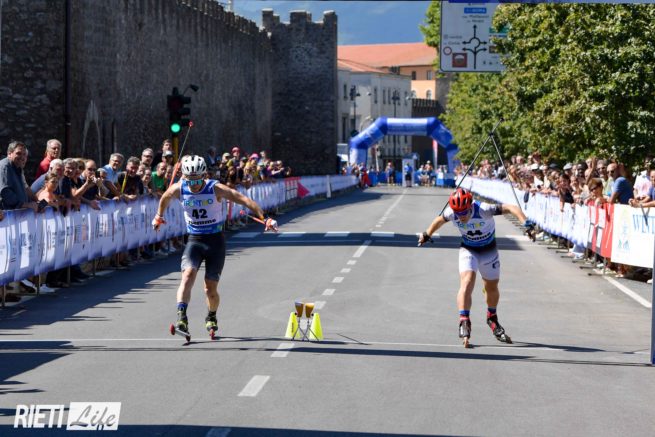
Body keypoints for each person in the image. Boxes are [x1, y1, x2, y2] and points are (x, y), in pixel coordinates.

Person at [152, 155, 277, 338]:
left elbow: (243, 199)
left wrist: (265, 218)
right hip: (195, 240)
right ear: (184, 177)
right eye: (190, 180)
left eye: (197, 180)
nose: (194, 185)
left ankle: (211, 316)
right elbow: (165, 196)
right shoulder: (179, 188)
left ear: (204, 175)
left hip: (215, 241)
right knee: (187, 276)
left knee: (209, 288)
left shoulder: (215, 188)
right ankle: (181, 318)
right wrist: (159, 216)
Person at [417, 187, 534, 348]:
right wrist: (427, 234)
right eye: (458, 213)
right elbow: (439, 220)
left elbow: (511, 207)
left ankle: (491, 317)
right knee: (467, 282)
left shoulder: (484, 209)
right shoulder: (452, 212)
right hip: (469, 250)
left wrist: (526, 223)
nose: (461, 216)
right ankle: (464, 320)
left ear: (470, 205)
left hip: (489, 251)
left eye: (464, 212)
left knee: (491, 287)